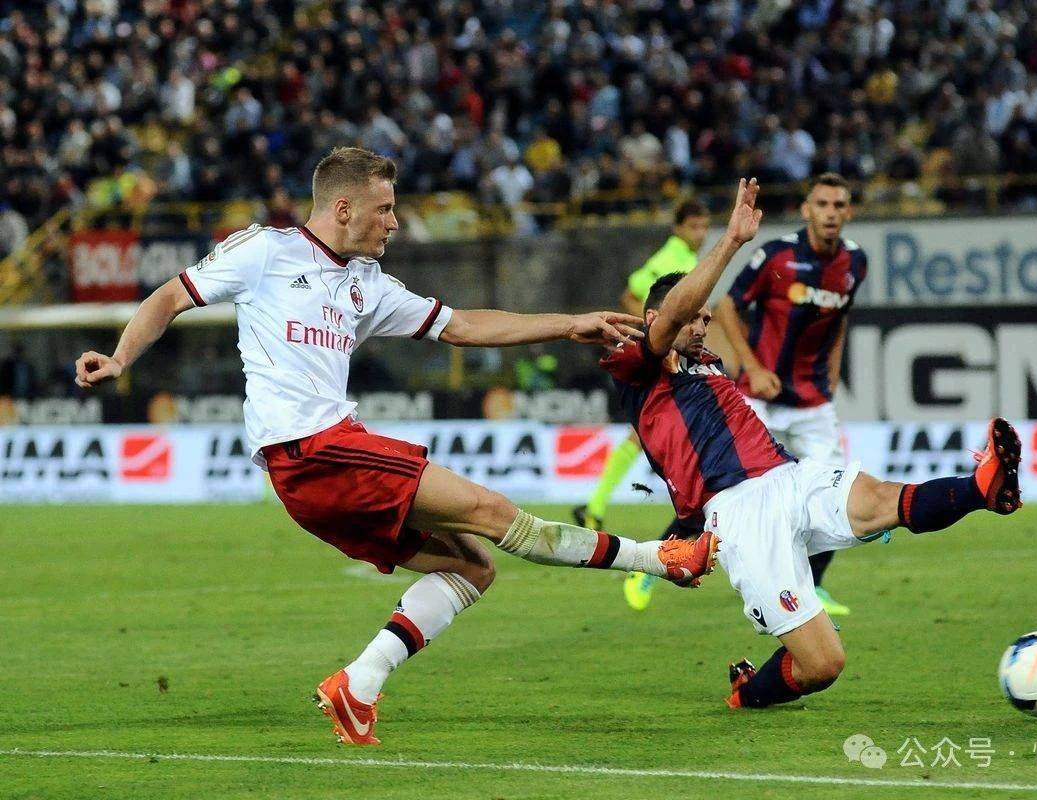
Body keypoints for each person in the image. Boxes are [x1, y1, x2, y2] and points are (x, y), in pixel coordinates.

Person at [74, 147, 719, 746]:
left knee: (472, 567)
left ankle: (358, 685)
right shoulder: (266, 251)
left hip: (315, 473)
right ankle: (659, 559)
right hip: (314, 450)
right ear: (343, 208)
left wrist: (568, 323)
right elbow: (170, 296)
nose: (395, 221)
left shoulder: (368, 285)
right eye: (384, 208)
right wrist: (121, 358)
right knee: (492, 513)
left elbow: (463, 326)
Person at [602, 177, 1022, 710]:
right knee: (824, 665)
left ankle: (982, 488)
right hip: (739, 513)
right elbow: (676, 312)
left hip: (789, 475)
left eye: (707, 318)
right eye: (694, 318)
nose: (703, 326)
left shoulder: (707, 364)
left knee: (880, 500)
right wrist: (731, 241)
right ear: (655, 320)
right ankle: (747, 693)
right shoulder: (638, 366)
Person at [714, 172, 864, 617]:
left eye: (839, 205)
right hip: (760, 397)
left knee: (837, 493)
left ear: (849, 212)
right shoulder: (777, 254)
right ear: (806, 210)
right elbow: (727, 305)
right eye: (822, 204)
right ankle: (656, 561)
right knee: (725, 485)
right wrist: (752, 367)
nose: (831, 213)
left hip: (813, 403)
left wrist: (833, 369)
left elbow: (840, 316)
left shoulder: (856, 262)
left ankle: (813, 587)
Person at [571, 199, 711, 611]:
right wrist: (655, 336)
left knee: (644, 437)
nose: (701, 233)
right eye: (694, 225)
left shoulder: (684, 258)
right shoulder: (674, 258)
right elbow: (633, 296)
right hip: (656, 359)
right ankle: (654, 551)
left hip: (660, 356)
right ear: (679, 227)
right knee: (681, 452)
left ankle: (596, 507)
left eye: (705, 226)